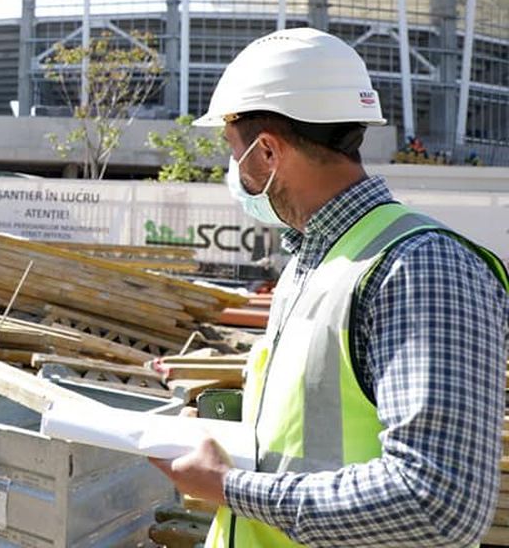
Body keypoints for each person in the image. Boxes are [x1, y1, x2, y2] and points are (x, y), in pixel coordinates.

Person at [151, 28, 508, 546]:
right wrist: (221, 431)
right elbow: (315, 428)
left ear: (267, 153)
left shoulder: (419, 266)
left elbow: (437, 503)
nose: (234, 171)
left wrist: (229, 487)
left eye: (234, 151)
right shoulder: (314, 262)